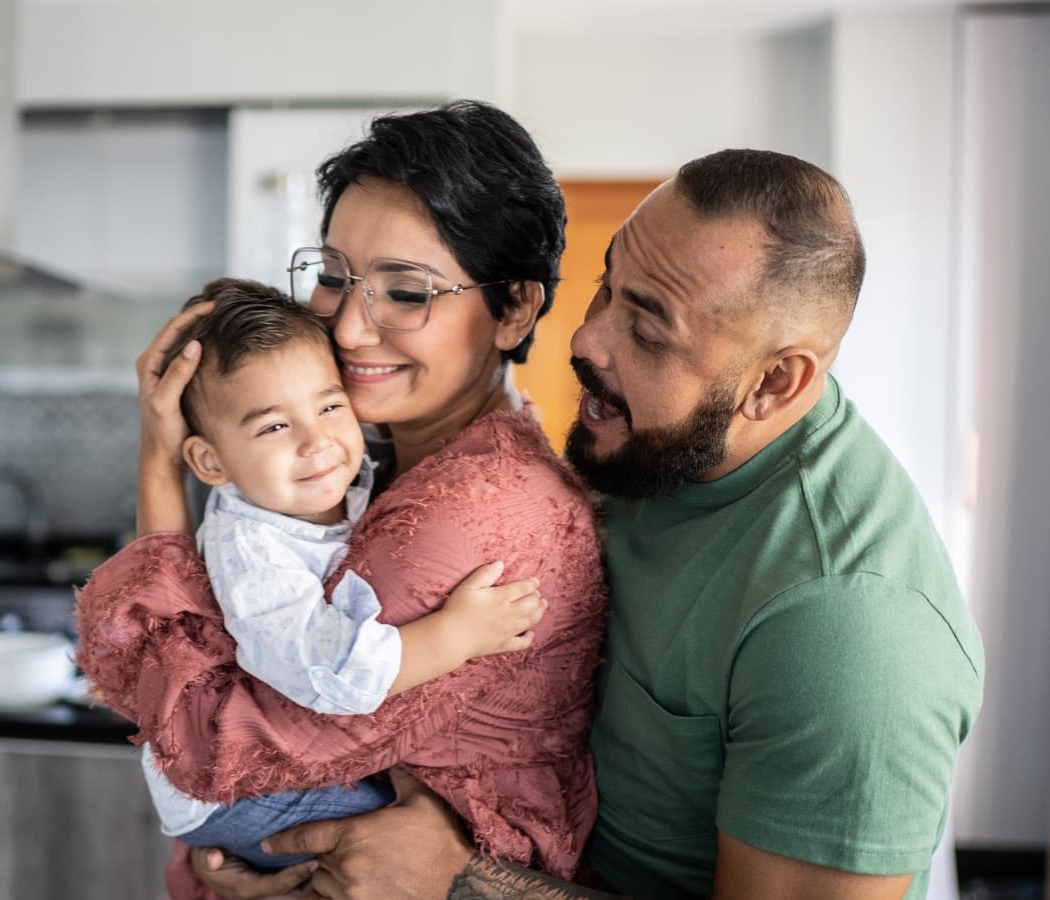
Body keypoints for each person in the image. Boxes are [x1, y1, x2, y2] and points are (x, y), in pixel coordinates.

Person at [251, 150, 987, 900]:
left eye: (648, 329)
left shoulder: (850, 629)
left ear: (773, 382)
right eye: (608, 286)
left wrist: (459, 880)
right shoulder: (648, 452)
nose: (584, 340)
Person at [74, 99, 610, 899]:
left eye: (407, 292)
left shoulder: (463, 516)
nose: (351, 328)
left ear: (517, 308)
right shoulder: (373, 460)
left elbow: (210, 743)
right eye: (333, 277)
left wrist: (159, 470)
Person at [135, 276, 547, 873]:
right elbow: (327, 671)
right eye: (274, 426)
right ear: (210, 461)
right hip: (235, 798)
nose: (317, 441)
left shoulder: (323, 484)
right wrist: (458, 635)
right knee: (408, 832)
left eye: (330, 405)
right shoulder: (252, 552)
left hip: (231, 785)